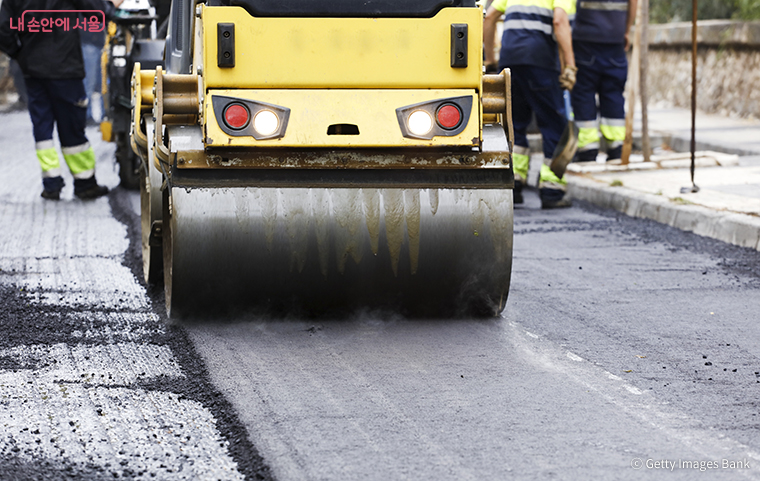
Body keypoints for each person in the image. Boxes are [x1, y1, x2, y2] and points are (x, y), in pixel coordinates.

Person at [0, 0, 123, 200]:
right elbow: (97, 11)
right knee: (72, 126)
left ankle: (51, 184)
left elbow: (4, 31)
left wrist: (20, 55)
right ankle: (84, 184)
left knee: (42, 127)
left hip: (33, 70)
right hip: (66, 69)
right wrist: (111, 6)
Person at [484, 0, 577, 209]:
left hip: (510, 61)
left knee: (514, 122)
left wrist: (490, 58)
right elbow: (560, 21)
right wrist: (570, 65)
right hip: (540, 61)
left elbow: (488, 18)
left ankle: (514, 183)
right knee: (554, 123)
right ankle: (552, 188)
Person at [570, 0, 637, 163]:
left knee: (583, 93)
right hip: (615, 41)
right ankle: (616, 147)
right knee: (613, 93)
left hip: (585, 40)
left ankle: (587, 149)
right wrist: (626, 31)